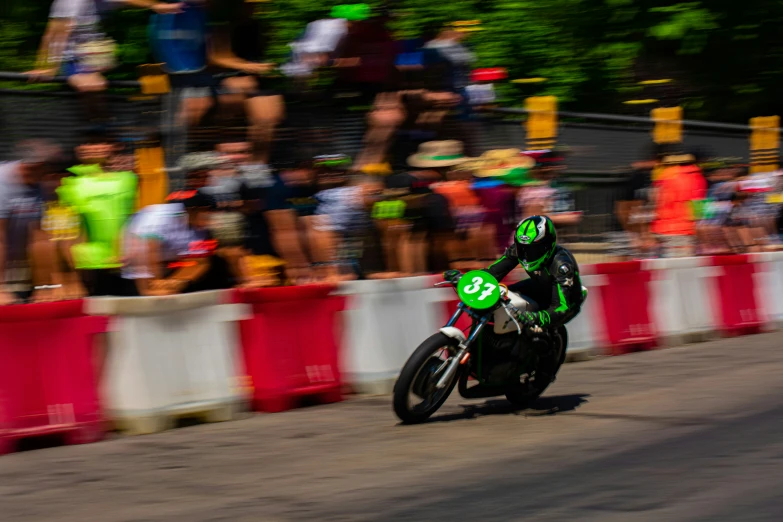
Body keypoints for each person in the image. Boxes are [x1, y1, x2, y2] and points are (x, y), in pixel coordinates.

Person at [445, 215, 584, 329]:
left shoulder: (562, 265)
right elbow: (492, 273)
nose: (526, 254)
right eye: (523, 248)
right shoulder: (518, 250)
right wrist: (465, 279)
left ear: (548, 245)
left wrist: (537, 317)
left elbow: (563, 307)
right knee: (497, 299)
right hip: (539, 286)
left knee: (536, 322)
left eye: (533, 250)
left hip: (565, 300)